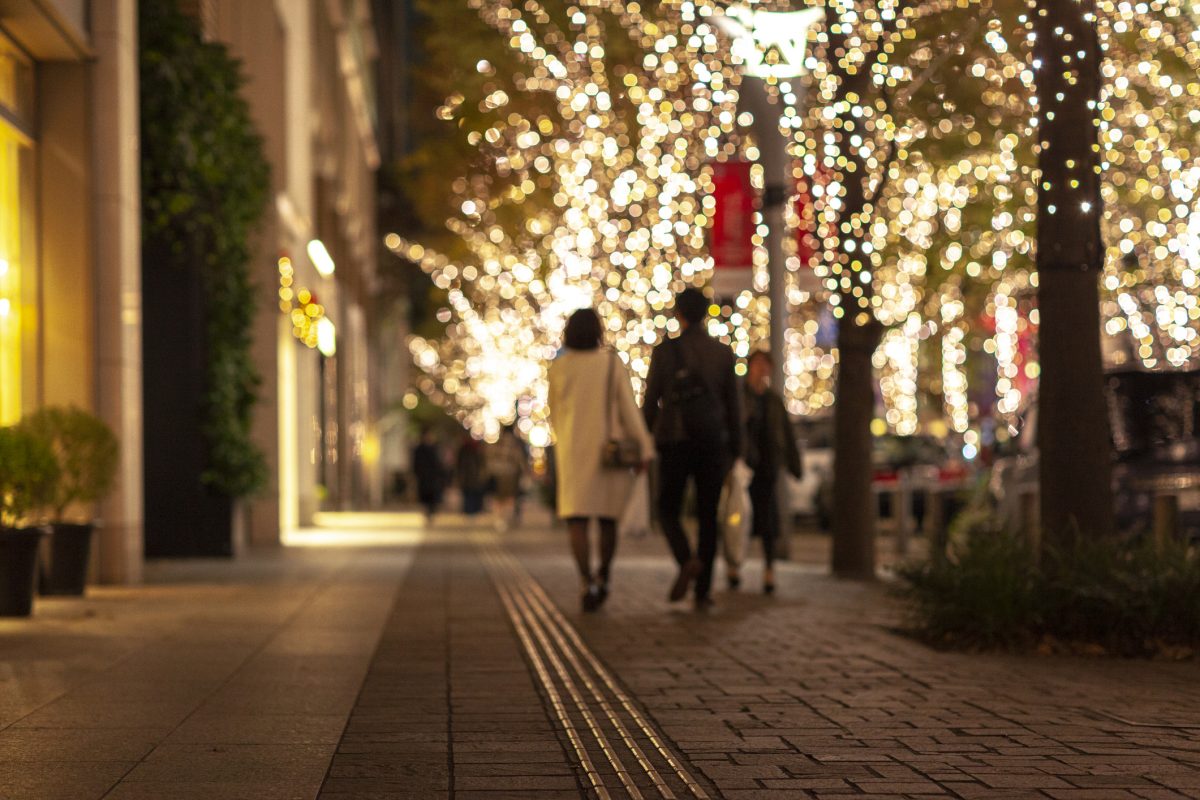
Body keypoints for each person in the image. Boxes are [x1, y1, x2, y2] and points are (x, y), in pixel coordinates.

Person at [548, 308, 655, 612]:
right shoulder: (610, 363)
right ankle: (604, 575)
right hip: (608, 454)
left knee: (577, 520)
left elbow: (554, 413)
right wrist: (644, 447)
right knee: (607, 519)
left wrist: (565, 439)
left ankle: (585, 580)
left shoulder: (559, 367)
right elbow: (627, 409)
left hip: (572, 451)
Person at [643, 287, 743, 610]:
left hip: (675, 439)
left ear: (679, 314)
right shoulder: (723, 353)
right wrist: (736, 449)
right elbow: (733, 406)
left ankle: (686, 560)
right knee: (708, 515)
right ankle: (703, 590)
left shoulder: (665, 352)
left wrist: (647, 436)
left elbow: (650, 401)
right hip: (713, 442)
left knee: (667, 508)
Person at [739, 349, 802, 595]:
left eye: (766, 365)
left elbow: (785, 432)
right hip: (744, 466)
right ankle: (735, 564)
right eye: (758, 364)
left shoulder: (773, 400)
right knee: (739, 517)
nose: (762, 370)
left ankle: (769, 569)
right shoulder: (740, 395)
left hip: (767, 466)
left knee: (767, 519)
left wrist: (794, 464)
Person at [487, 423, 528, 530]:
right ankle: (506, 518)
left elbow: (490, 457)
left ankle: (499, 519)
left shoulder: (498, 443)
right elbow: (519, 459)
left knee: (498, 498)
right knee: (509, 497)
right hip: (511, 474)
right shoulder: (515, 444)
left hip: (498, 473)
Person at [411, 427, 447, 524]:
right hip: (424, 478)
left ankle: (432, 513)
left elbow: (439, 464)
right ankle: (428, 513)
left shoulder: (435, 448)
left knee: (433, 498)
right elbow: (415, 464)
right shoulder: (419, 449)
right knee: (426, 497)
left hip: (433, 478)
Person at [455, 433, 489, 515]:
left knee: (472, 494)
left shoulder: (476, 450)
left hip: (473, 477)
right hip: (468, 477)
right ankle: (469, 511)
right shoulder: (465, 450)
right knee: (468, 494)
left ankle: (472, 510)